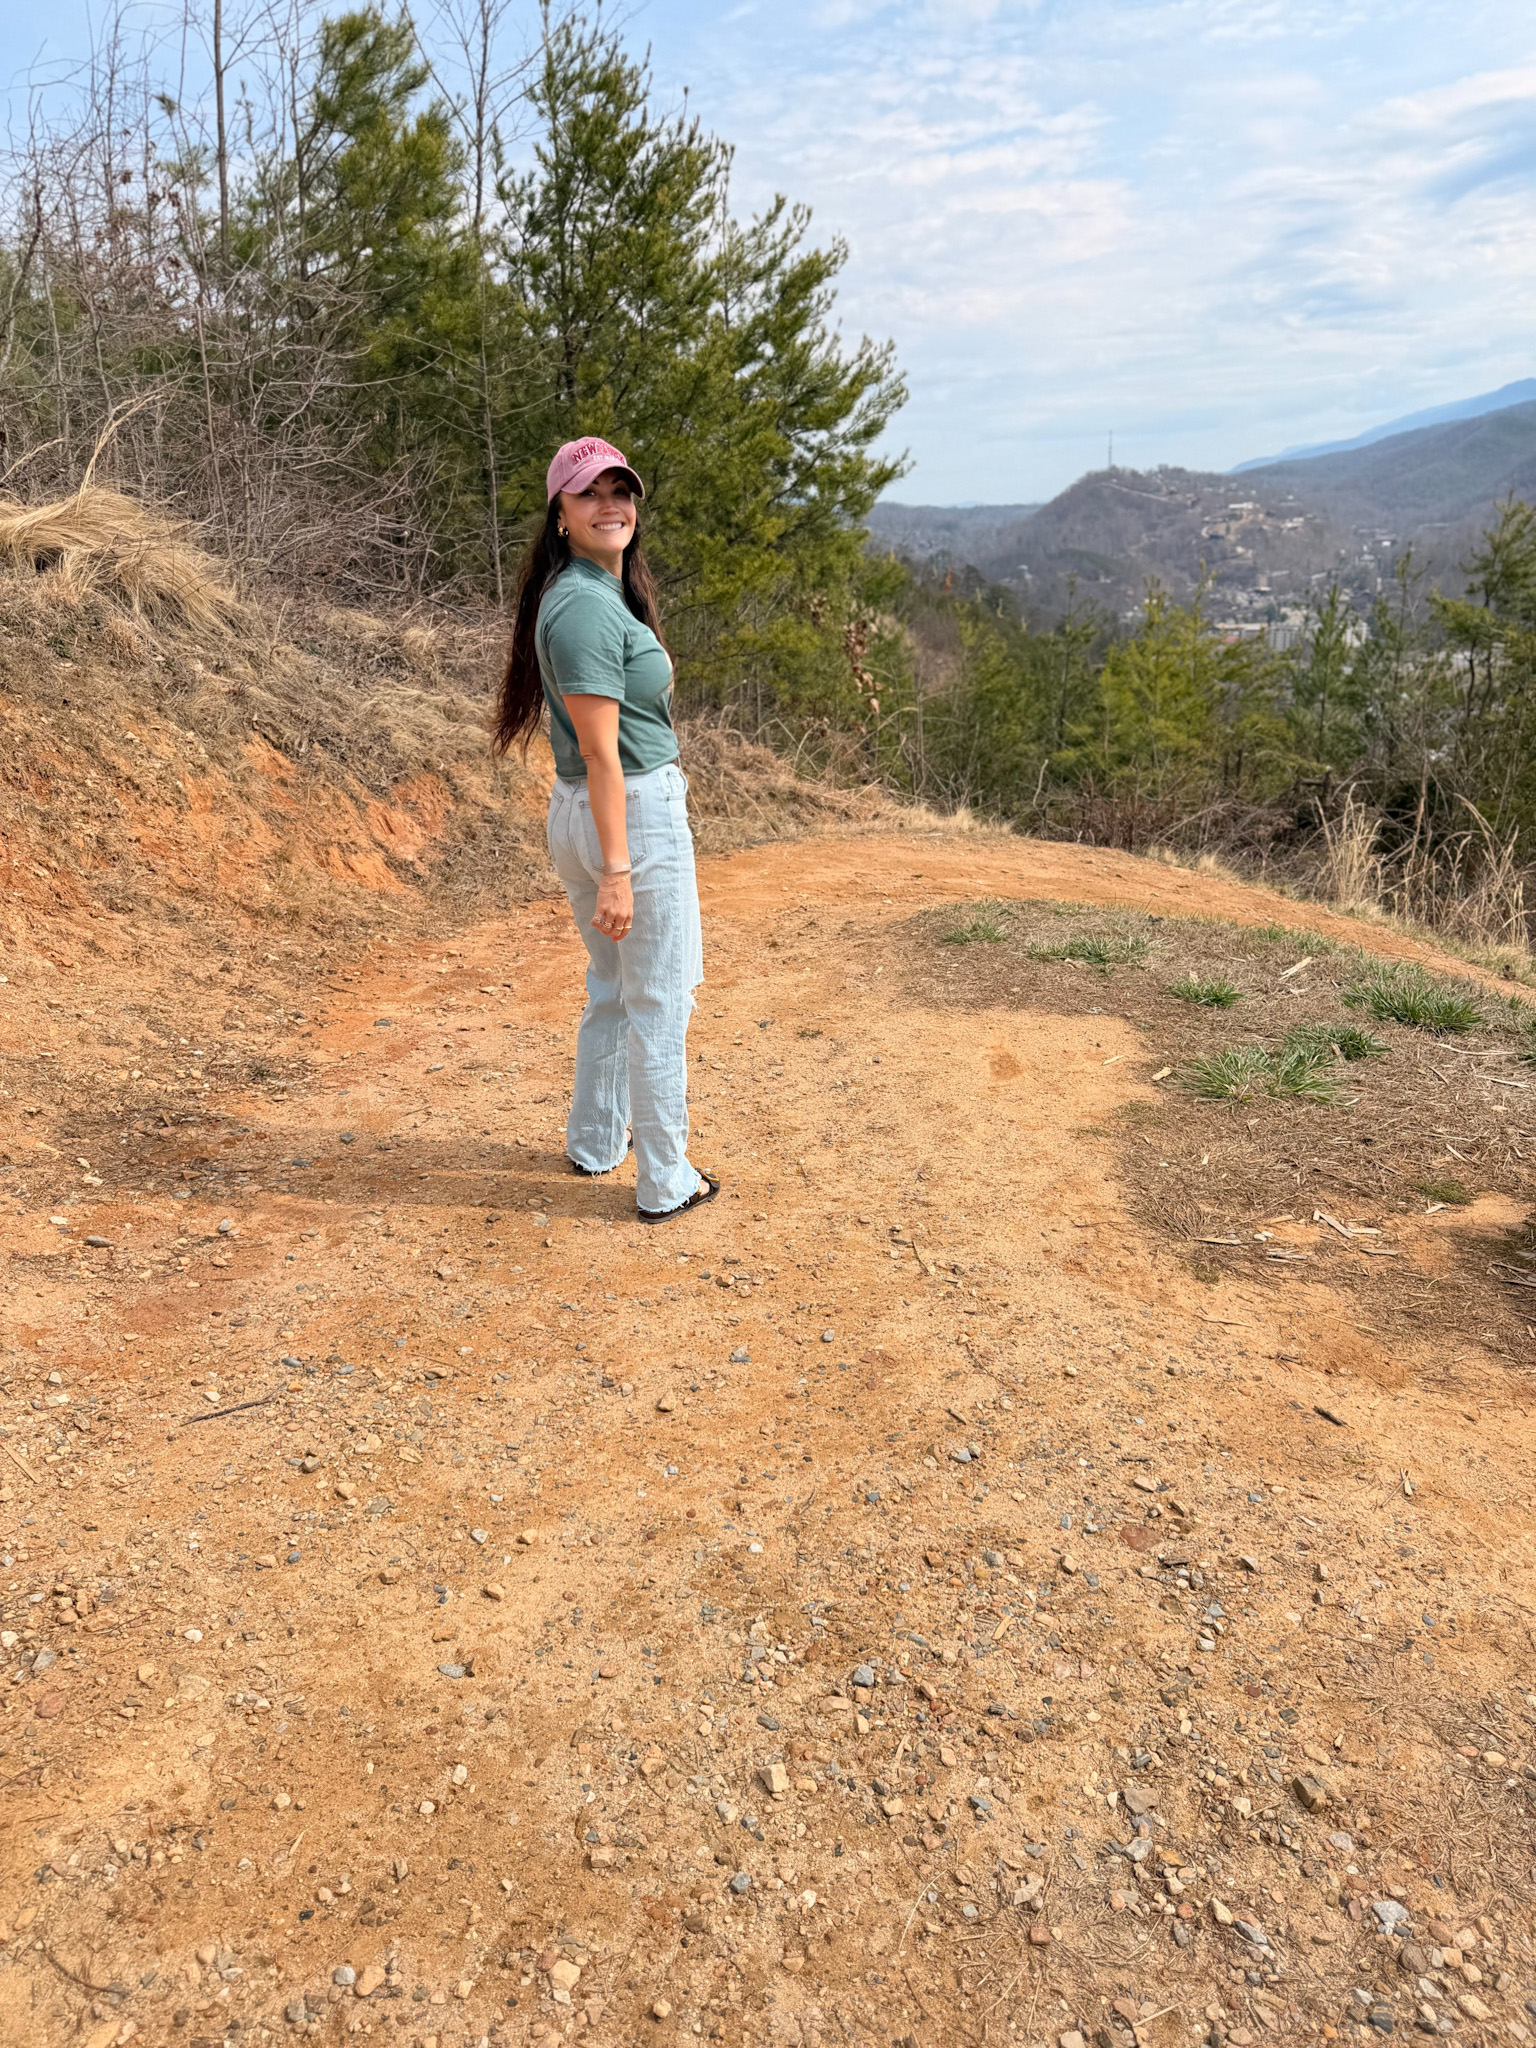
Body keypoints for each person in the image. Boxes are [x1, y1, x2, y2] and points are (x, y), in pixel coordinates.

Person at [493, 435, 719, 1222]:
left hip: (588, 812)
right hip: (627, 815)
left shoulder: (588, 590)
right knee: (658, 998)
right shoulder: (586, 607)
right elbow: (599, 750)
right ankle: (665, 1181)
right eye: (589, 492)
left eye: (621, 490)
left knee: (616, 991)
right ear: (559, 512)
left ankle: (596, 1140)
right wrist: (620, 869)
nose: (609, 504)